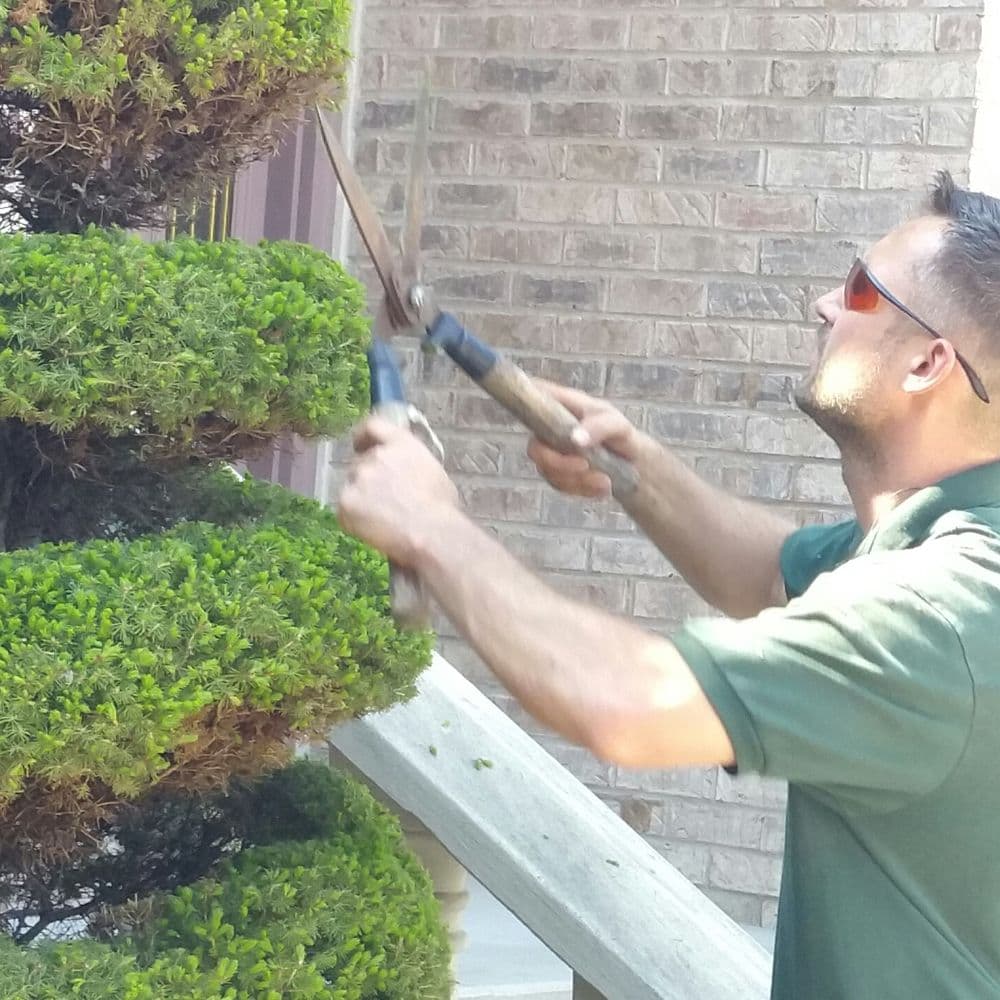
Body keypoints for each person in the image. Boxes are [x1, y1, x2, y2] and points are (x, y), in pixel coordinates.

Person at [337, 171, 1000, 999]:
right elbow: (767, 572)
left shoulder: (946, 612)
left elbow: (630, 704)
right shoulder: (939, 540)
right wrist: (634, 470)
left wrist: (431, 528)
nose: (823, 302)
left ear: (929, 362)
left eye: (861, 290)